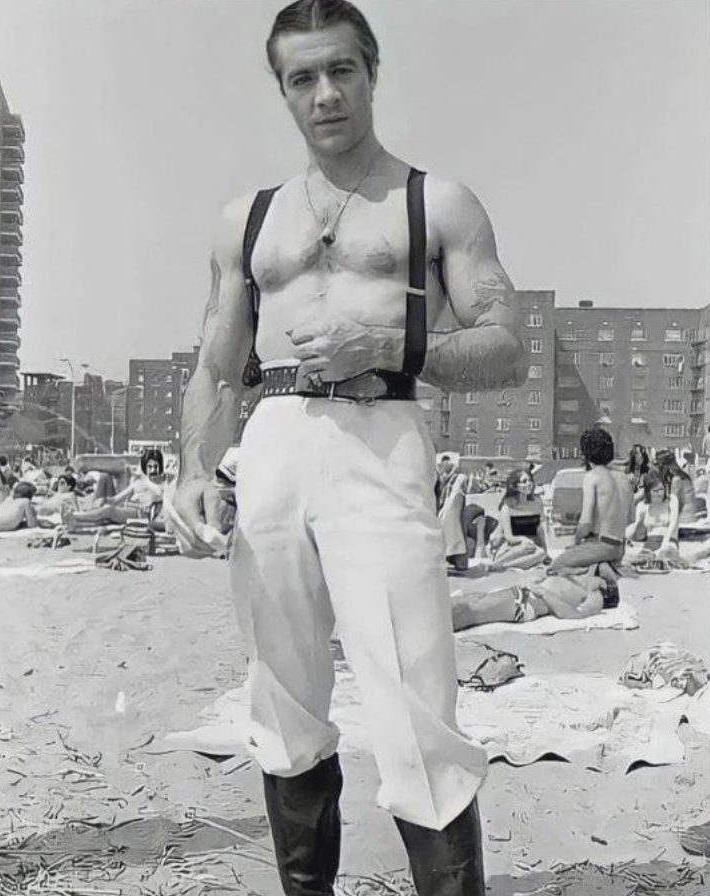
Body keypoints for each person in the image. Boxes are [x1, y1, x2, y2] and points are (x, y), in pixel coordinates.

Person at [168, 2, 528, 892]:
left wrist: (391, 346)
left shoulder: (433, 200)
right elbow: (218, 368)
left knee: (414, 706)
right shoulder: (246, 221)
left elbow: (508, 348)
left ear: (371, 72)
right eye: (302, 78)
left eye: (341, 71)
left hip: (382, 437)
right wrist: (187, 470)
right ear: (283, 91)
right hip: (276, 444)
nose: (324, 94)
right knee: (283, 700)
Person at [548, 427, 633, 575]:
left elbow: (585, 522)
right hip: (619, 547)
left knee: (554, 568)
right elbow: (631, 518)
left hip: (599, 544)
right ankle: (600, 566)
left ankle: (596, 569)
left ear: (585, 452)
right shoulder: (625, 479)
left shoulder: (592, 477)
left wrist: (575, 543)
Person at [451, 568, 606, 631]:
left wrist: (544, 593)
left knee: (470, 608)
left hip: (527, 602)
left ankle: (433, 628)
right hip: (524, 595)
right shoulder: (581, 580)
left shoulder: (596, 595)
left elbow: (574, 615)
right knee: (469, 600)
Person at [64, 449, 166, 527]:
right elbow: (116, 499)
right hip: (130, 510)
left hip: (141, 515)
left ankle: (75, 516)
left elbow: (160, 504)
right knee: (106, 507)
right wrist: (106, 500)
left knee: (109, 511)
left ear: (160, 467)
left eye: (156, 466)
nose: (153, 470)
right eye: (150, 467)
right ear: (145, 467)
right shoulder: (138, 483)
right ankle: (78, 518)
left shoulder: (162, 484)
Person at [488, 468, 547, 569]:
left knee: (541, 553)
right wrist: (522, 539)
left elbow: (540, 531)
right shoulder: (507, 507)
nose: (529, 484)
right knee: (527, 546)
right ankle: (498, 563)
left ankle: (501, 566)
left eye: (530, 480)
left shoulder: (537, 503)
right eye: (524, 481)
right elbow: (509, 537)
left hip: (530, 547)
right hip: (508, 548)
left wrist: (546, 551)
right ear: (515, 486)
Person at [625, 469, 680, 560]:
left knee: (664, 555)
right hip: (652, 540)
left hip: (670, 539)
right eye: (655, 491)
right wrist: (621, 538)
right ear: (648, 492)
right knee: (644, 559)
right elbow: (634, 527)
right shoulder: (643, 505)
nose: (659, 494)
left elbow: (673, 524)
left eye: (661, 489)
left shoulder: (672, 500)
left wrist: (664, 544)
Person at [656, 449, 705, 524]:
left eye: (660, 466)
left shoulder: (677, 479)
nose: (659, 469)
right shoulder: (681, 475)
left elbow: (673, 503)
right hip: (688, 516)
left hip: (684, 519)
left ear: (665, 466)